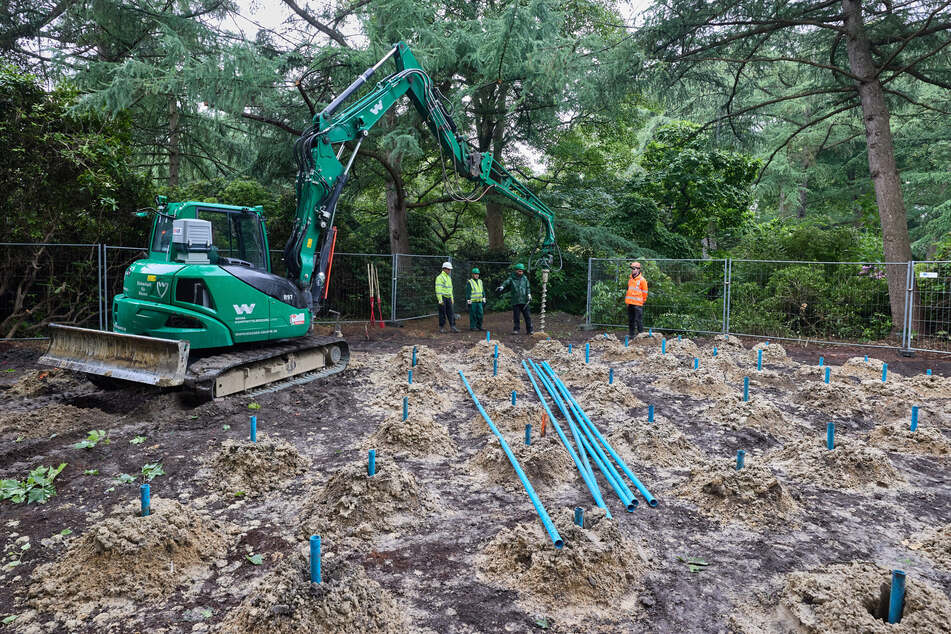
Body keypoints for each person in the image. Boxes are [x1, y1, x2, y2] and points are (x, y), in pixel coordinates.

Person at [497, 263, 532, 335]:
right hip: (515, 300)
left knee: (527, 316)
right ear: (516, 271)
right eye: (519, 271)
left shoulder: (524, 278)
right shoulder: (512, 278)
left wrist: (529, 294)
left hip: (524, 300)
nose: (521, 272)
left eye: (522, 271)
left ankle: (530, 330)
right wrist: (502, 287)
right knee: (516, 316)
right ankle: (516, 329)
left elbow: (528, 287)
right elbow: (506, 282)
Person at [625, 261, 648, 335]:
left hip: (638, 304)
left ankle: (641, 335)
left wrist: (643, 301)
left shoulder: (642, 280)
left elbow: (645, 292)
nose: (632, 270)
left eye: (634, 268)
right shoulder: (630, 279)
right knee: (631, 320)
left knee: (638, 320)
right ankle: (631, 335)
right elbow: (629, 291)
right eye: (631, 268)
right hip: (630, 303)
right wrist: (627, 302)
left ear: (638, 269)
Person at [435, 261, 459, 333]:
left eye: (450, 269)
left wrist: (452, 298)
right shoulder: (439, 278)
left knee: (451, 312)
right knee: (442, 313)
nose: (449, 270)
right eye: (448, 269)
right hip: (442, 298)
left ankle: (453, 327)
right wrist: (440, 299)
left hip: (448, 298)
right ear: (444, 269)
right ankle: (441, 328)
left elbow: (450, 289)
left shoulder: (449, 278)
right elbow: (438, 289)